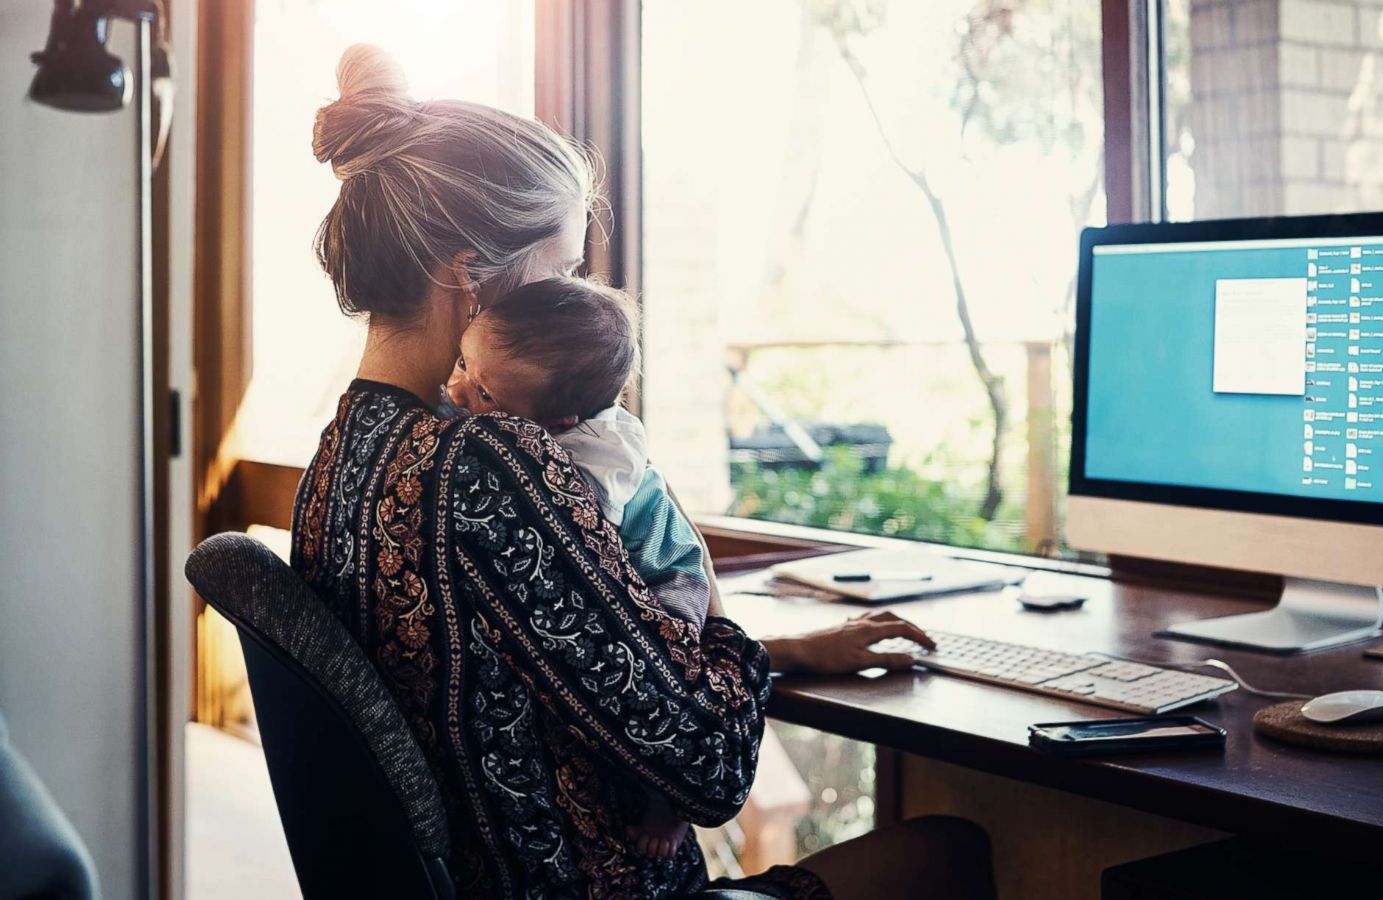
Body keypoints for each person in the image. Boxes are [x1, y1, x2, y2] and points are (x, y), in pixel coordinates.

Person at [290, 44, 996, 900]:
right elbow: (710, 769)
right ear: (469, 274)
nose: (573, 302)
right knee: (947, 852)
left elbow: (539, 667)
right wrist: (722, 615)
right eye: (561, 272)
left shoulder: (344, 453)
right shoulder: (493, 463)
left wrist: (788, 652)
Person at [441, 276, 707, 860]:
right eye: (463, 363)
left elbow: (581, 531)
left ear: (559, 419)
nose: (458, 391)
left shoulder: (599, 453)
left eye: (484, 395)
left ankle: (672, 805)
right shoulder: (519, 406)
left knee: (672, 669)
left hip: (669, 570)